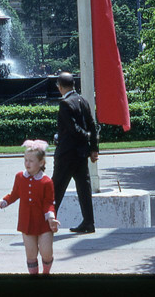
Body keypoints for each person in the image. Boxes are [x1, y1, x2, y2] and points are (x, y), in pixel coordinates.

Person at [0, 139, 60, 275]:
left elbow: (49, 202)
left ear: (41, 163)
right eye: (25, 160)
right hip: (26, 222)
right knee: (31, 254)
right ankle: (33, 281)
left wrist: (51, 218)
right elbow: (14, 195)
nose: (27, 163)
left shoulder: (47, 181)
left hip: (44, 223)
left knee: (46, 252)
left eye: (31, 161)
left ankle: (46, 273)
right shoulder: (20, 177)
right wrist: (0, 203)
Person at [51, 71, 98, 234]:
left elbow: (73, 129)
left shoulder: (65, 103)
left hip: (66, 154)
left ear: (61, 87)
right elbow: (92, 124)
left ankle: (48, 222)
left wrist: (86, 137)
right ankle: (89, 222)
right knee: (84, 189)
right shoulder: (83, 100)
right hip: (81, 154)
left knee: (55, 189)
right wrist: (93, 148)